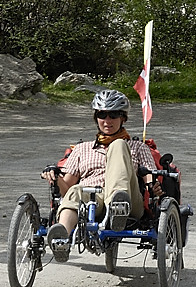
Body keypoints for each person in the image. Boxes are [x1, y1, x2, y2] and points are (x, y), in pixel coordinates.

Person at [41, 89, 150, 262]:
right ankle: (62, 238)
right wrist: (55, 176)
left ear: (123, 118)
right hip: (94, 197)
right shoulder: (82, 149)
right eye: (102, 115)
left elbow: (149, 176)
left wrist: (155, 186)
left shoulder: (137, 146)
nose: (107, 121)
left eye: (113, 115)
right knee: (76, 190)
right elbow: (67, 188)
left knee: (119, 145)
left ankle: (118, 204)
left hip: (129, 197)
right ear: (96, 118)